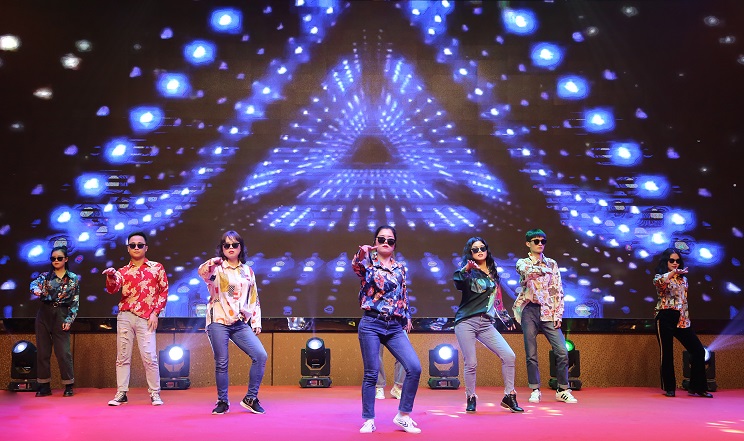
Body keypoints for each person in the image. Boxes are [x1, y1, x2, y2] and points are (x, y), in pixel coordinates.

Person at [353, 225, 422, 434]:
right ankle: (368, 419)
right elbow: (356, 267)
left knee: (414, 367)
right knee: (371, 373)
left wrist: (407, 316)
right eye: (381, 239)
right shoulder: (368, 263)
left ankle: (403, 415)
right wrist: (362, 253)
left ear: (394, 244)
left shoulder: (400, 267)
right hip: (371, 323)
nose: (385, 243)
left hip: (394, 325)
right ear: (375, 241)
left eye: (390, 240)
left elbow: (403, 293)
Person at [198, 230, 268, 415]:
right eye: (226, 245)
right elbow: (202, 272)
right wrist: (213, 262)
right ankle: (222, 401)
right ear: (222, 248)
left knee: (260, 355)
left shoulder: (247, 271)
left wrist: (256, 321)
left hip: (239, 322)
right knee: (222, 361)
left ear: (240, 248)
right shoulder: (216, 268)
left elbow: (254, 296)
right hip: (218, 319)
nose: (230, 248)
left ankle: (250, 398)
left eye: (234, 245)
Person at [453, 237, 523, 413]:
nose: (479, 251)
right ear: (470, 253)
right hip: (466, 321)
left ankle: (509, 396)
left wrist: (506, 318)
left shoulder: (493, 272)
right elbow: (457, 282)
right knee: (471, 363)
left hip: (486, 323)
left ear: (486, 250)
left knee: (509, 356)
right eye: (475, 249)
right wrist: (466, 269)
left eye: (482, 248)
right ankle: (471, 397)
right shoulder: (468, 272)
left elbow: (496, 300)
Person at [103, 231, 168, 406]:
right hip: (125, 316)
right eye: (133, 245)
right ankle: (121, 392)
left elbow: (163, 292)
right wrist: (110, 276)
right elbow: (112, 289)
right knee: (123, 356)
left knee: (150, 357)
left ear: (146, 247)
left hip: (146, 318)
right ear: (128, 248)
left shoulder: (156, 267)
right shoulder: (122, 271)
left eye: (140, 245)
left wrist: (155, 313)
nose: (136, 248)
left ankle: (155, 393)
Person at [513, 229, 578, 404]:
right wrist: (542, 270)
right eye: (536, 241)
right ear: (528, 244)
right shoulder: (522, 262)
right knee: (531, 353)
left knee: (562, 351)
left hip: (548, 310)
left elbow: (557, 290)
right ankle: (535, 389)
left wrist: (559, 314)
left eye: (543, 241)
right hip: (529, 310)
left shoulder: (552, 264)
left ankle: (562, 389)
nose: (540, 244)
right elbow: (525, 271)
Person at [653, 248, 713, 398]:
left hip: (681, 318)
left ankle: (697, 387)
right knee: (667, 353)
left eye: (677, 261)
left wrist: (686, 318)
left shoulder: (683, 280)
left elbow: (683, 301)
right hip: (665, 316)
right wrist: (673, 272)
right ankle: (669, 388)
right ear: (666, 262)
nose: (675, 263)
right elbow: (661, 283)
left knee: (698, 350)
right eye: (672, 260)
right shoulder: (660, 277)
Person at [30, 245, 80, 397]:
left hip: (61, 314)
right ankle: (44, 385)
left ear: (66, 259)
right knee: (43, 352)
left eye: (59, 258)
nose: (56, 261)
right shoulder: (45, 276)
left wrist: (69, 319)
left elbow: (75, 302)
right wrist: (36, 290)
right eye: (53, 258)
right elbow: (33, 284)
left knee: (63, 352)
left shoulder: (72, 278)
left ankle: (68, 385)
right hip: (44, 313)